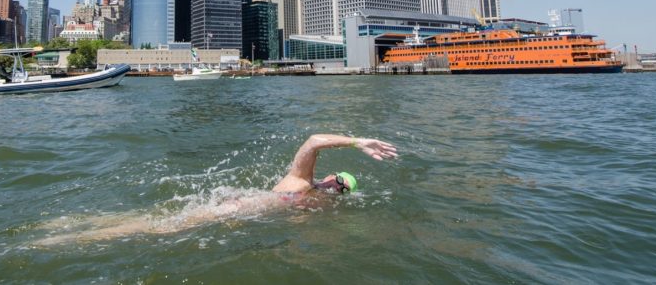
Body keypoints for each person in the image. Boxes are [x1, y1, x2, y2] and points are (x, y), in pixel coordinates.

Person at [33, 134, 397, 246]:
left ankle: (71, 227)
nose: (337, 188)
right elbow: (314, 140)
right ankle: (61, 238)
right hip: (235, 209)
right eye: (339, 182)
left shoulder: (311, 203)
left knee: (156, 220)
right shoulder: (302, 183)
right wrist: (355, 142)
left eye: (342, 190)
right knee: (158, 227)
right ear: (330, 175)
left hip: (238, 211)